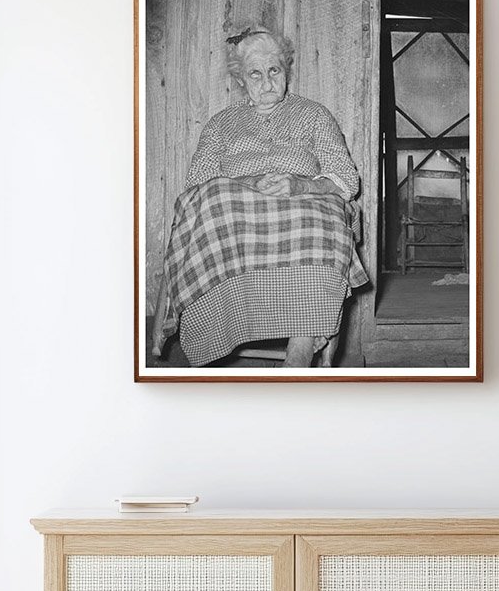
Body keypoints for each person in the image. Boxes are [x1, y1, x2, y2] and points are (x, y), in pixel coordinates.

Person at [152, 26, 367, 367]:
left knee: (322, 218)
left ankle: (299, 351)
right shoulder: (221, 124)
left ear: (286, 72)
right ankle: (214, 334)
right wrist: (247, 182)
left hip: (302, 204)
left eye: (274, 71)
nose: (267, 82)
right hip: (236, 212)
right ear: (241, 81)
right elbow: (196, 186)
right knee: (213, 203)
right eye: (256, 73)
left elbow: (345, 178)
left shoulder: (314, 114)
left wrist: (303, 185)